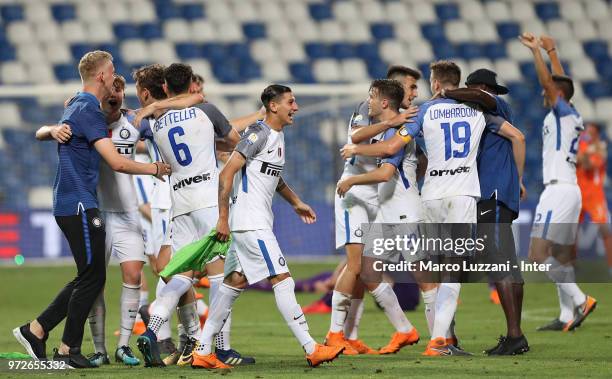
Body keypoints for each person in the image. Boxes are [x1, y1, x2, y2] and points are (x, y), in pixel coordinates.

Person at [341, 60, 525, 356]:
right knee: (453, 270)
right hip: (462, 194)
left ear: (436, 84)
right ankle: (440, 341)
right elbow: (513, 134)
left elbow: (391, 148)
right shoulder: (479, 110)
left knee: (436, 267)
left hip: (431, 196)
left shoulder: (424, 111)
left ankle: (444, 338)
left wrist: (355, 148)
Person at [13, 51, 170, 368]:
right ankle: (63, 346)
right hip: (81, 203)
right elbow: (116, 162)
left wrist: (49, 129)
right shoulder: (87, 110)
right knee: (92, 277)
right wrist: (155, 168)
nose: (115, 76)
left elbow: (56, 131)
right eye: (112, 71)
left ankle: (38, 331)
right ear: (101, 76)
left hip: (75, 202)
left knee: (91, 275)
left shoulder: (77, 105)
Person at [192, 84, 344, 369]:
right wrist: (223, 218)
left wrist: (296, 202)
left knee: (233, 283)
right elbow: (227, 173)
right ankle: (312, 347)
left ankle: (202, 349)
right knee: (282, 279)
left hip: (253, 223)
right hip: (251, 224)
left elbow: (274, 178)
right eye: (291, 101)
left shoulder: (278, 136)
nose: (296, 107)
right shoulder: (258, 133)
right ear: (273, 106)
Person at [135, 63, 251, 367]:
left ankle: (152, 331)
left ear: (164, 88)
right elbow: (236, 142)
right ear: (190, 84)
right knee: (220, 277)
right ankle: (218, 347)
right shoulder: (206, 110)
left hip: (179, 205)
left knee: (182, 275)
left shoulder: (155, 123)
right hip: (209, 201)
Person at [335, 74, 431, 355]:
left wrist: (353, 172)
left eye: (415, 87)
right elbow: (356, 135)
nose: (413, 92)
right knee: (366, 270)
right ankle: (404, 330)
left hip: (403, 210)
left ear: (384, 99)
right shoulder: (388, 122)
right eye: (411, 86)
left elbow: (388, 164)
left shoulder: (406, 124)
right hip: (386, 210)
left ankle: (442, 339)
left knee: (422, 273)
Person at [444, 68, 528, 355]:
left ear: (479, 89)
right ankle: (516, 336)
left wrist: (448, 93)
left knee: (494, 258)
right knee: (507, 262)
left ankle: (515, 335)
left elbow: (519, 137)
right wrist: (516, 181)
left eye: (471, 92)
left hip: (492, 193)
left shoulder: (491, 109)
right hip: (499, 194)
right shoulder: (485, 118)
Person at [519, 33, 597, 332]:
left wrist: (536, 52)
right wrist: (552, 50)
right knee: (560, 257)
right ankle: (567, 316)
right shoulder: (570, 113)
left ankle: (579, 299)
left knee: (537, 256)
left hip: (558, 190)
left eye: (550, 92)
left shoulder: (562, 111)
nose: (544, 94)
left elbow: (551, 84)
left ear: (558, 96)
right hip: (569, 189)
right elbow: (560, 82)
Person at [576, 122, 612, 276]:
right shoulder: (587, 147)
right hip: (578, 194)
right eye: (586, 130)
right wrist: (587, 151)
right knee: (571, 231)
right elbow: (575, 160)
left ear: (596, 133)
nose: (587, 133)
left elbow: (588, 165)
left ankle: (611, 266)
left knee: (605, 230)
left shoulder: (600, 148)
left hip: (595, 196)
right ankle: (571, 266)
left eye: (591, 130)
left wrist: (586, 153)